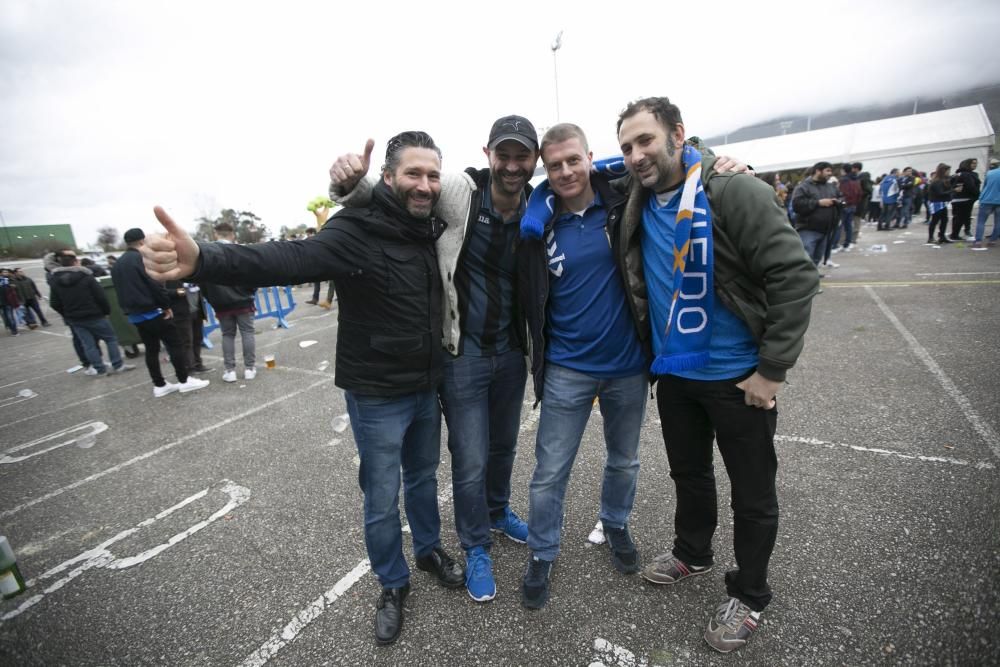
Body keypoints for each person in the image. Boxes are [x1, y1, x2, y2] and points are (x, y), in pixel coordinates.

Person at [143, 131, 465, 646]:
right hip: (376, 393)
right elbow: (286, 259)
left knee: (424, 478)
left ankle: (428, 551)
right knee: (382, 496)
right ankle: (392, 582)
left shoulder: (431, 229)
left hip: (425, 387)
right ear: (387, 177)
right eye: (412, 173)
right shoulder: (356, 228)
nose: (423, 185)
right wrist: (204, 259)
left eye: (431, 175)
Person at [616, 97, 819, 653]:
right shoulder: (636, 193)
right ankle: (693, 552)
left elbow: (795, 277)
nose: (636, 155)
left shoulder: (731, 190)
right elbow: (566, 176)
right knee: (690, 475)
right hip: (676, 372)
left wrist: (771, 372)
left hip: (739, 380)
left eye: (646, 141)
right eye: (627, 146)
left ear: (679, 134)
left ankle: (750, 595)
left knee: (752, 494)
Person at [329, 115, 539, 604]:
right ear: (488, 153)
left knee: (504, 448)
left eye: (521, 156)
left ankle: (498, 509)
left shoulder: (539, 203)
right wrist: (348, 186)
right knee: (469, 458)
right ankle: (476, 547)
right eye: (503, 154)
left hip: (511, 353)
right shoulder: (461, 192)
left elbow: (600, 183)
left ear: (533, 161)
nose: (512, 165)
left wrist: (712, 164)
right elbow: (394, 201)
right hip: (461, 356)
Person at [516, 123, 651, 611]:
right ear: (545, 171)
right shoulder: (539, 225)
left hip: (628, 365)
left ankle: (615, 523)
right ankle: (543, 551)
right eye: (555, 165)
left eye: (573, 160)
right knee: (550, 470)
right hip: (567, 368)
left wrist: (720, 161)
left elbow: (676, 159)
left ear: (590, 157)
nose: (566, 171)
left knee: (624, 458)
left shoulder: (623, 201)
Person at [111, 228, 208, 397]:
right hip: (153, 310)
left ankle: (159, 384)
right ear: (142, 241)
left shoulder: (118, 264)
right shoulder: (142, 259)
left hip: (135, 314)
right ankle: (184, 380)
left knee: (151, 349)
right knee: (175, 344)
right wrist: (165, 305)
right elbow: (154, 284)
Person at [48, 250, 135, 376]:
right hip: (94, 315)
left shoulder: (55, 281)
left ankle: (100, 370)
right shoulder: (86, 277)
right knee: (110, 339)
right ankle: (118, 365)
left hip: (75, 319)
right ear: (75, 262)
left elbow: (54, 303)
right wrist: (106, 311)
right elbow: (100, 296)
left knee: (88, 345)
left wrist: (66, 313)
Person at [201, 222, 257, 383]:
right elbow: (253, 275)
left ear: (215, 234)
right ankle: (249, 368)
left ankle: (230, 370)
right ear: (232, 234)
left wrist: (213, 300)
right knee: (247, 333)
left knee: (227, 335)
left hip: (221, 304)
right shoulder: (239, 251)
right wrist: (249, 292)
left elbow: (203, 282)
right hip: (243, 300)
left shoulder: (208, 254)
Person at [791, 162, 841, 266]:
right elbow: (797, 205)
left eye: (831, 171)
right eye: (827, 170)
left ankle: (813, 276)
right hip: (808, 229)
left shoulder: (831, 186)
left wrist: (838, 202)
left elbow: (840, 197)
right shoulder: (803, 187)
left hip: (826, 230)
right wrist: (818, 203)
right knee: (806, 259)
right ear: (818, 171)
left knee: (817, 259)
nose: (830, 173)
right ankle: (806, 280)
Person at [972, 157, 1000, 249]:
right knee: (998, 222)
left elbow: (985, 187)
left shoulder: (990, 173)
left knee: (981, 221)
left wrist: (980, 198)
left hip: (987, 199)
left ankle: (978, 241)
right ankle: (992, 241)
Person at [950, 158, 981, 240]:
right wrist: (978, 194)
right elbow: (971, 186)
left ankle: (954, 234)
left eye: (975, 163)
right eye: (973, 163)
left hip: (955, 199)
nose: (975, 165)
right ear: (967, 164)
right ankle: (957, 234)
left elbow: (950, 185)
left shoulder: (956, 174)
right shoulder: (968, 174)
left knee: (956, 217)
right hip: (966, 199)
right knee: (964, 217)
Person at [837, 164, 862, 251]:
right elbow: (859, 194)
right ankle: (847, 243)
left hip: (845, 206)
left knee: (839, 226)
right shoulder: (856, 180)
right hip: (853, 205)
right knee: (849, 225)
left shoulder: (843, 181)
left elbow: (841, 194)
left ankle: (836, 245)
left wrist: (842, 204)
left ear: (844, 170)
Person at [927, 163, 952, 245]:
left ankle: (942, 236)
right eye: (948, 171)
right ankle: (930, 238)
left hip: (941, 203)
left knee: (944, 220)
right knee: (935, 220)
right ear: (943, 171)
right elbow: (940, 193)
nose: (949, 172)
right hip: (936, 203)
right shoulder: (937, 181)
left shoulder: (942, 180)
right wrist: (953, 191)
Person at [0, 269, 22, 335]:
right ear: (1, 273)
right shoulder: (5, 282)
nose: (6, 273)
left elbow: (13, 291)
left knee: (10, 316)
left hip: (8, 302)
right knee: (7, 317)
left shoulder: (9, 280)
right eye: (4, 272)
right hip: (3, 302)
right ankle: (13, 330)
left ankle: (13, 330)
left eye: (7, 272)